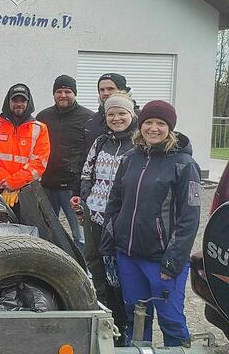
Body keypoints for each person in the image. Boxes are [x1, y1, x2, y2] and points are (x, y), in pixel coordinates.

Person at [100, 100, 201, 347]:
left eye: (160, 123)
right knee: (135, 319)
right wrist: (110, 243)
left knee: (171, 320)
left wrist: (173, 261)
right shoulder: (130, 159)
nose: (153, 128)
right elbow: (114, 203)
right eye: (148, 122)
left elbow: (189, 219)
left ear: (170, 128)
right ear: (140, 125)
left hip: (162, 260)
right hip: (128, 257)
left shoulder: (185, 165)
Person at [77, 92, 136, 343]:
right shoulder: (100, 142)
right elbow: (86, 173)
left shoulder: (137, 143)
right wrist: (87, 199)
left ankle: (124, 323)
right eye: (111, 114)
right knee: (95, 263)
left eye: (121, 113)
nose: (116, 118)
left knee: (118, 269)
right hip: (95, 214)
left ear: (131, 115)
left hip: (121, 217)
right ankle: (103, 315)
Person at [36, 75, 93, 251]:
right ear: (54, 94)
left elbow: (90, 152)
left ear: (74, 93)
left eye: (67, 91)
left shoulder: (88, 117)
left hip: (72, 187)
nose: (63, 95)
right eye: (59, 91)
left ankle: (84, 270)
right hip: (48, 184)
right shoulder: (43, 116)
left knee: (80, 234)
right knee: (47, 230)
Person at [0, 83, 50, 207]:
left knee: (28, 226)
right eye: (15, 100)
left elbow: (39, 162)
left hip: (28, 192)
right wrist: (7, 182)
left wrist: (14, 183)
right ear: (8, 101)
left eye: (23, 100)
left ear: (29, 103)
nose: (19, 103)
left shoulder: (40, 129)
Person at [85, 73, 131, 152]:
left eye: (110, 89)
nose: (105, 93)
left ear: (122, 90)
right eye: (102, 90)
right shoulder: (92, 120)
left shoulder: (139, 118)